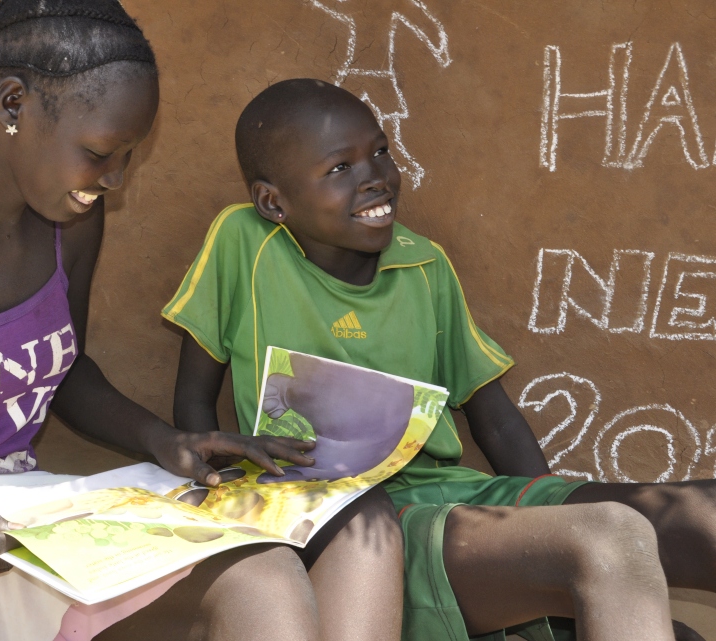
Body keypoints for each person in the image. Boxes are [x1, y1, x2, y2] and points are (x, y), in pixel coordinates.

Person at [0, 6, 405, 640]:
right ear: (13, 105)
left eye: (129, 153)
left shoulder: (70, 219)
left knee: (351, 518)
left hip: (23, 512)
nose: (116, 178)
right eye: (101, 151)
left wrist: (163, 439)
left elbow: (61, 369)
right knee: (254, 577)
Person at [165, 78, 716, 641]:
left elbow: (492, 414)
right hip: (358, 521)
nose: (374, 176)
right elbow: (193, 397)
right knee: (610, 540)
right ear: (273, 202)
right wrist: (221, 489)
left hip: (455, 491)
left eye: (380, 151)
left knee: (703, 515)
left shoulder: (423, 264)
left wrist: (544, 520)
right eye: (340, 169)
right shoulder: (243, 243)